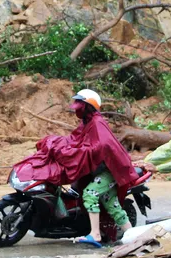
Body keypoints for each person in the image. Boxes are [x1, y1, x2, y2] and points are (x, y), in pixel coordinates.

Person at [12, 89, 139, 247]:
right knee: (111, 204)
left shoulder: (97, 123)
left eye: (80, 105)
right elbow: (74, 139)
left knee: (90, 194)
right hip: (100, 170)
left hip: (111, 170)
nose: (77, 108)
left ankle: (95, 234)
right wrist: (58, 143)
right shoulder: (87, 122)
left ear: (88, 106)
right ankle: (134, 237)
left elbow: (103, 146)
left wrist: (81, 152)